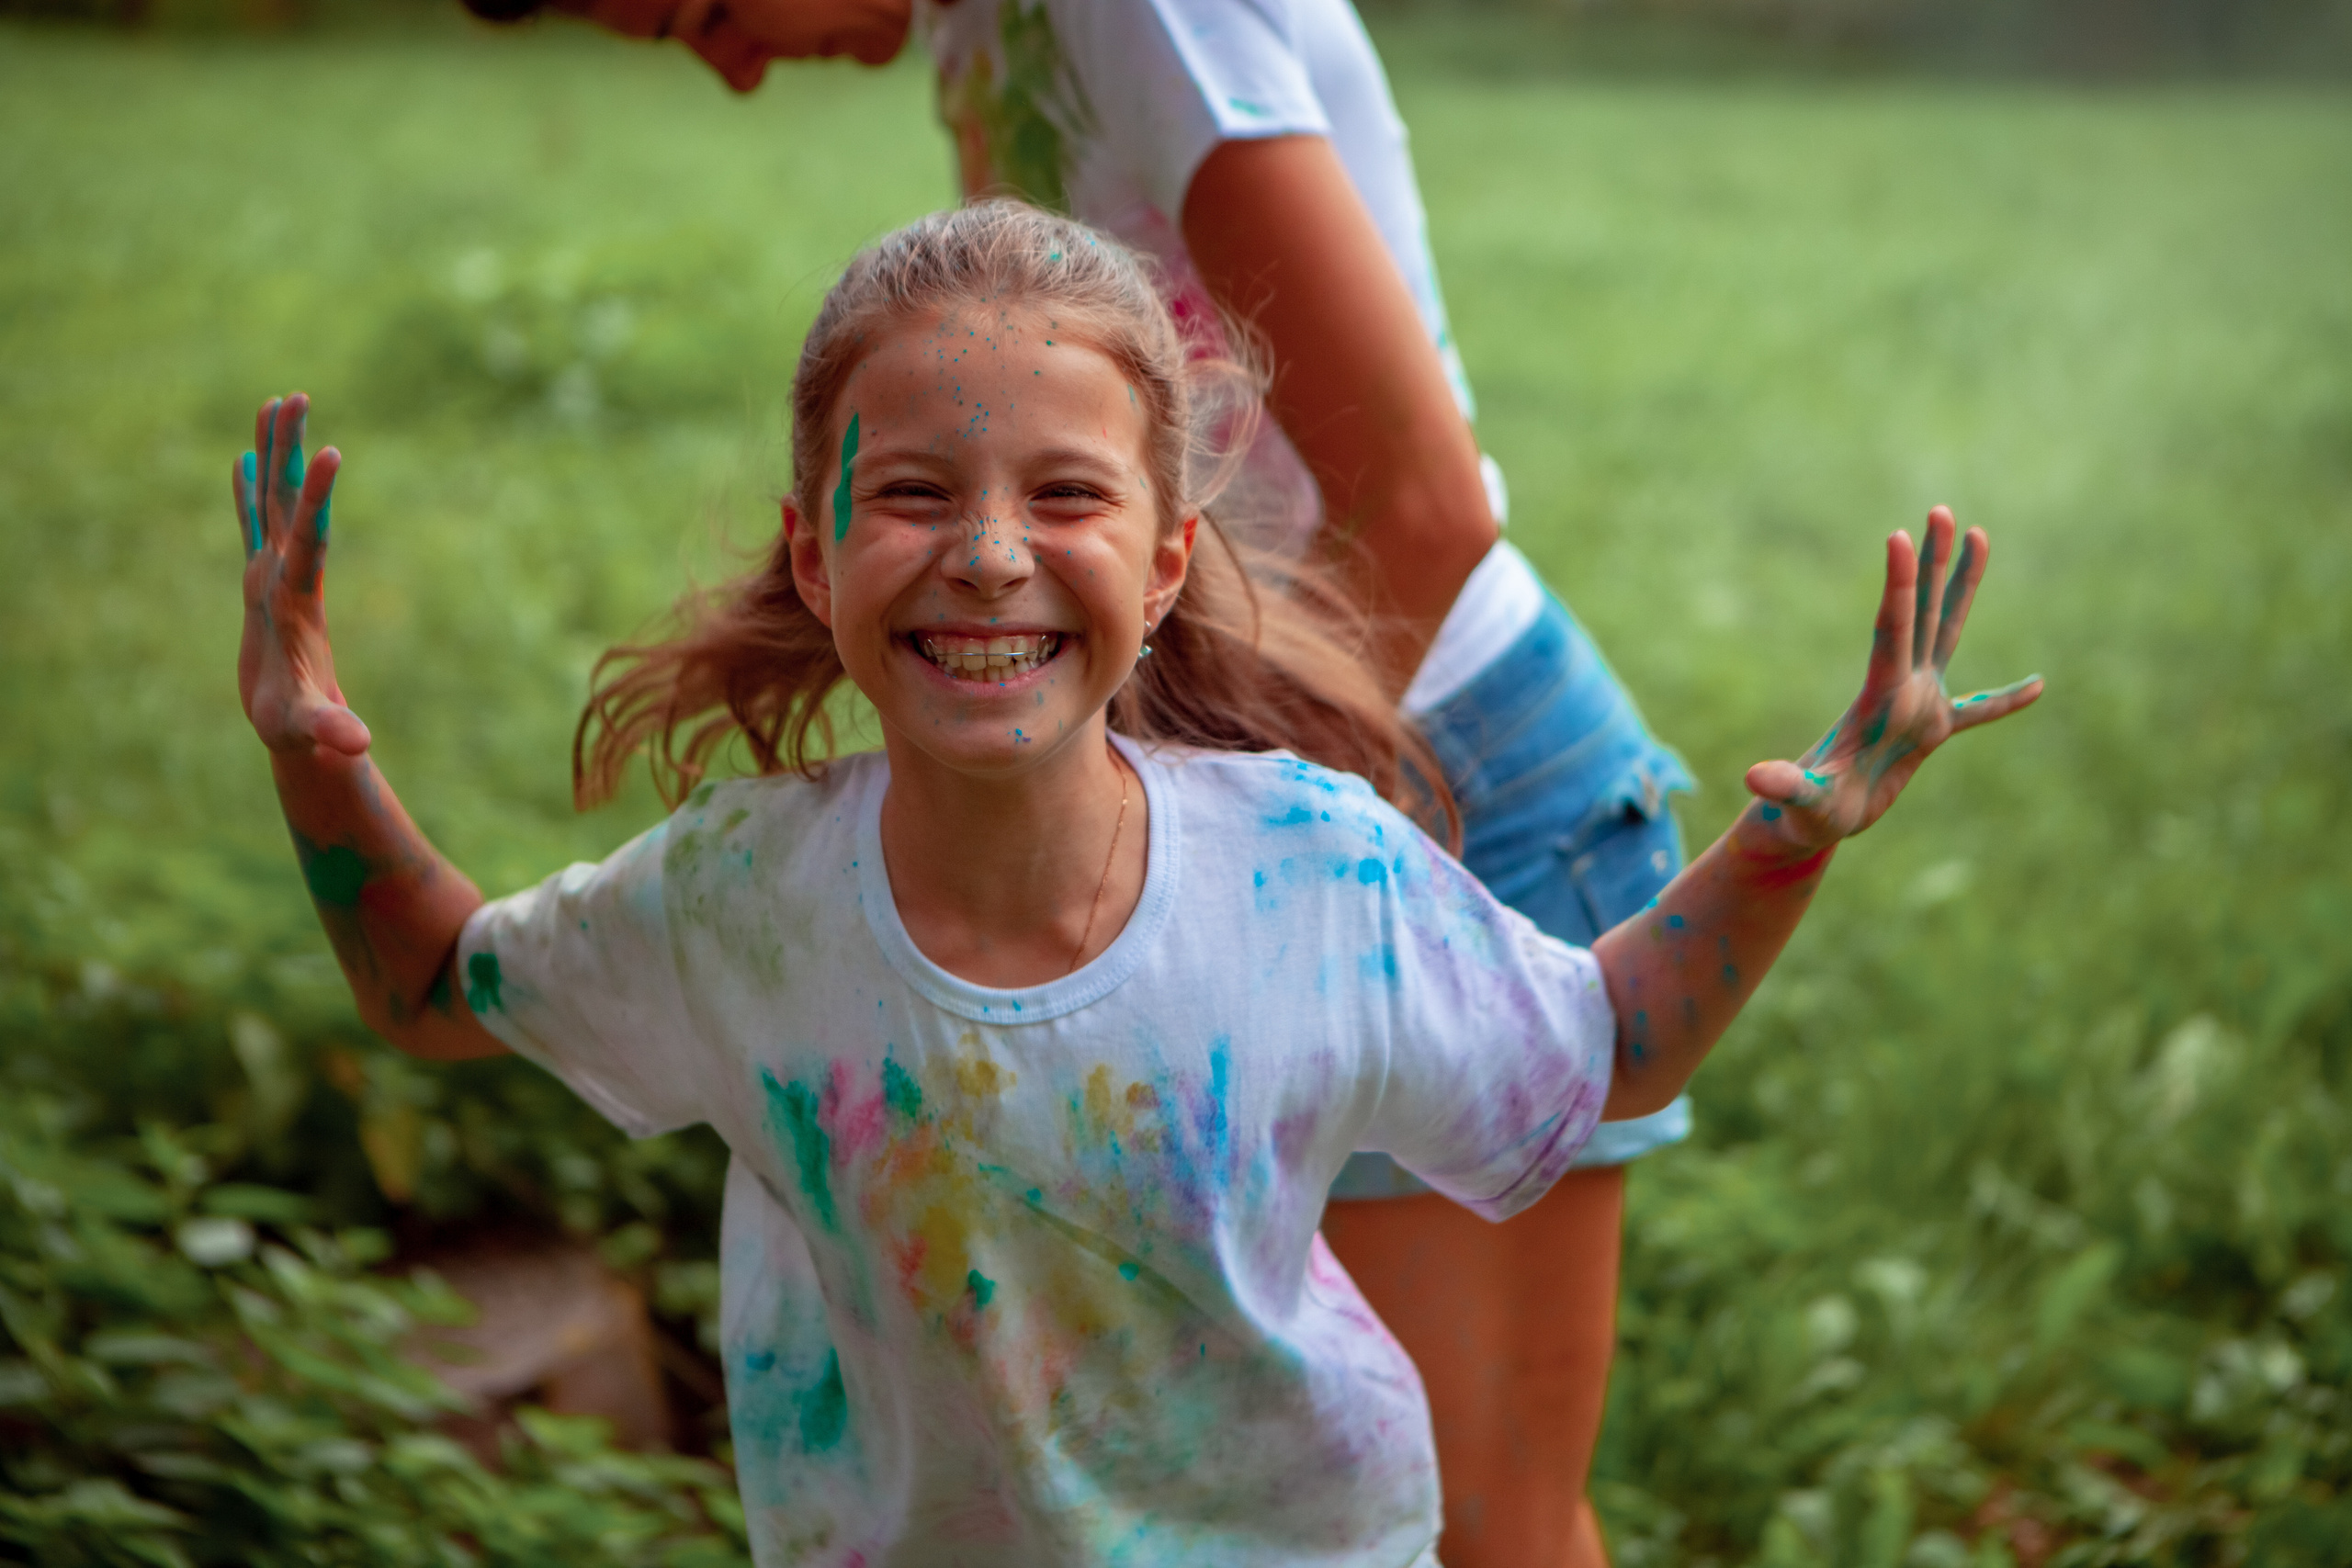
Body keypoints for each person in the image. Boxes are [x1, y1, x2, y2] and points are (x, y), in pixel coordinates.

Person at [232, 203, 2040, 1566]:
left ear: (1170, 557)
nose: (991, 556)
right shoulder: (739, 900)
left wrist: (1783, 841)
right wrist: (321, 755)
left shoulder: (1307, 873)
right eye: (917, 492)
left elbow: (1607, 1042)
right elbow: (432, 989)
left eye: (1066, 495)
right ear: (817, 547)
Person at [459, 0, 1694, 1554]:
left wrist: (1214, 879)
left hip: (1445, 787)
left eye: (701, 8)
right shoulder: (990, 26)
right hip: (1246, 779)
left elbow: (1423, 500)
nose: (730, 66)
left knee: (1490, 1530)